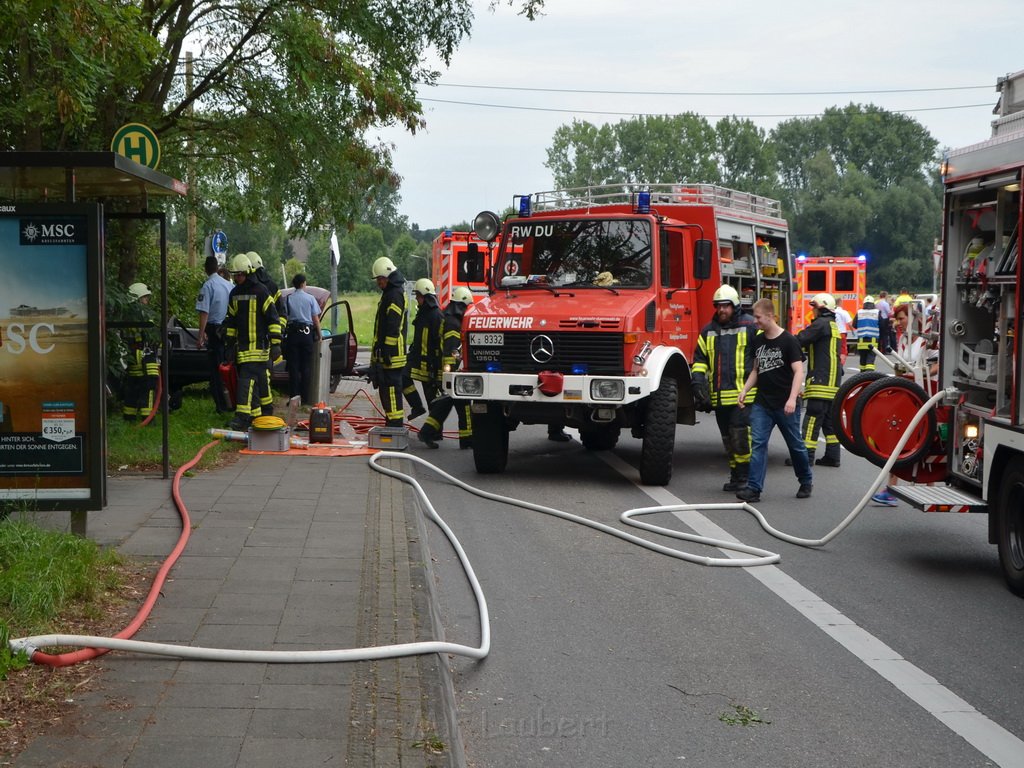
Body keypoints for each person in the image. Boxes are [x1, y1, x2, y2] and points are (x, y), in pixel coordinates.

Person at [735, 298, 813, 502]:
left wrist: (792, 399)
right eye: (755, 317)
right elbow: (756, 370)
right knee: (758, 443)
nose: (755, 321)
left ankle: (805, 480)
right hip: (763, 403)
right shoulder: (758, 340)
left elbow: (798, 371)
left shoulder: (789, 340)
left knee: (795, 445)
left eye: (759, 317)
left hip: (785, 403)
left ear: (770, 316)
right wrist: (744, 390)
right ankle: (754, 489)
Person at [691, 284, 758, 491]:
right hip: (719, 398)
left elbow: (761, 357)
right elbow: (700, 360)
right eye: (719, 306)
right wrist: (698, 383)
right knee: (728, 439)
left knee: (740, 437)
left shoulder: (750, 327)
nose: (722, 310)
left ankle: (746, 477)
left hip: (743, 396)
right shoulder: (708, 331)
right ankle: (736, 476)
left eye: (726, 306)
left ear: (735, 306)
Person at [223, 253, 282, 431]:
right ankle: (261, 414)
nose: (236, 278)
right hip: (243, 347)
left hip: (259, 347)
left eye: (239, 274)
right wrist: (229, 342)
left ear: (247, 273)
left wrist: (276, 343)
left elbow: (273, 318)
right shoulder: (234, 293)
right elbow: (232, 320)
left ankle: (243, 417)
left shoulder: (261, 291)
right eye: (234, 275)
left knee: (248, 381)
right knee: (257, 382)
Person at [419, 286, 475, 449]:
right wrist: (452, 371)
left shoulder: (450, 318)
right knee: (454, 404)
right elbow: (451, 349)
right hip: (452, 371)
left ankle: (465, 439)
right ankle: (428, 432)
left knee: (457, 404)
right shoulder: (453, 322)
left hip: (451, 371)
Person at [795, 292, 844, 468]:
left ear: (821, 308)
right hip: (833, 382)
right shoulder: (832, 325)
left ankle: (805, 458)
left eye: (814, 307)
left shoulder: (821, 324)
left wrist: (781, 342)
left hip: (821, 381)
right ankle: (833, 456)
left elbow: (800, 339)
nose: (812, 311)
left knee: (812, 419)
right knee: (829, 422)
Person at [370, 256, 409, 427]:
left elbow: (393, 326)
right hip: (389, 353)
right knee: (387, 389)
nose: (378, 283)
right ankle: (392, 421)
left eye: (380, 279)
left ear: (387, 276)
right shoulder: (391, 293)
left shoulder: (394, 295)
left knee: (392, 391)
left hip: (392, 355)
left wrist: (386, 350)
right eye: (377, 280)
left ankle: (395, 424)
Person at [195, 255, 233, 413]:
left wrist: (201, 335)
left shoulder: (207, 286)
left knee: (215, 371)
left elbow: (204, 312)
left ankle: (221, 406)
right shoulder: (228, 285)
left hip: (214, 330)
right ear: (217, 268)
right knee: (228, 368)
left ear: (205, 269)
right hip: (228, 331)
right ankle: (231, 402)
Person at [403, 277, 443, 420]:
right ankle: (417, 407)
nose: (417, 299)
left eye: (419, 296)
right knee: (403, 377)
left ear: (426, 297)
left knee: (432, 399)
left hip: (430, 365)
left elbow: (439, 343)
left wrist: (437, 367)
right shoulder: (423, 313)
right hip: (418, 360)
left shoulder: (436, 315)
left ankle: (434, 432)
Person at [121, 282, 159, 422]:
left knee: (133, 385)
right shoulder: (141, 315)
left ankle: (129, 416)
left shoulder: (126, 315)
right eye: (144, 298)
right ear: (136, 298)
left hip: (132, 355)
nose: (147, 301)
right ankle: (147, 417)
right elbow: (150, 335)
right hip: (144, 355)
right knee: (148, 384)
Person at [283, 273, 321, 408]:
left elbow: (285, 318)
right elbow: (315, 318)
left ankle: (293, 398)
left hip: (293, 335)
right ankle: (305, 398)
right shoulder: (310, 298)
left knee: (293, 367)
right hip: (306, 334)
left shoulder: (288, 299)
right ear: (303, 283)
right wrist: (320, 334)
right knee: (306, 367)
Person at [853, 295, 880, 372]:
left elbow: (854, 325)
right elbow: (882, 325)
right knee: (870, 361)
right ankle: (869, 375)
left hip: (861, 341)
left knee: (862, 361)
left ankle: (862, 377)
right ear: (873, 304)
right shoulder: (877, 312)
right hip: (873, 341)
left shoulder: (859, 312)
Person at [833, 298, 852, 367]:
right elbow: (850, 324)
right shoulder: (844, 312)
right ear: (840, 303)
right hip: (842, 333)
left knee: (834, 349)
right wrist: (853, 332)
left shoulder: (832, 311)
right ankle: (840, 365)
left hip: (833, 333)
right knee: (843, 350)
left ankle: (834, 364)